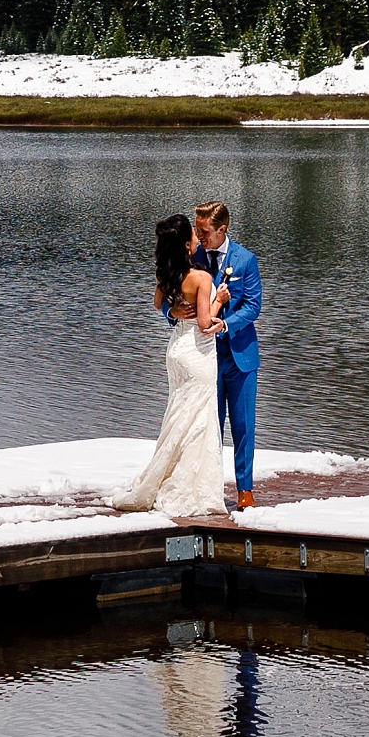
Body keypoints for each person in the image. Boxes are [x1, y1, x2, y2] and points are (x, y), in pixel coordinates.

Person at [122, 210, 231, 515]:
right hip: (198, 353)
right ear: (185, 244)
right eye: (194, 235)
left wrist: (173, 311)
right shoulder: (201, 278)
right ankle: (190, 486)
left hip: (176, 350)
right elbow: (206, 321)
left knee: (180, 412)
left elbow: (159, 303)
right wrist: (220, 300)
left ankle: (165, 474)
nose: (198, 238)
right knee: (199, 419)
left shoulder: (166, 273)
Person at [194, 200, 264, 508]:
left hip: (240, 357)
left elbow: (253, 306)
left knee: (242, 425)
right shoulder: (193, 258)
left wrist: (225, 324)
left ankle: (245, 491)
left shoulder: (245, 260)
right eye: (196, 228)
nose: (199, 235)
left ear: (222, 229)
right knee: (208, 427)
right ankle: (207, 490)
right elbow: (174, 297)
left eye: (204, 230)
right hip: (203, 358)